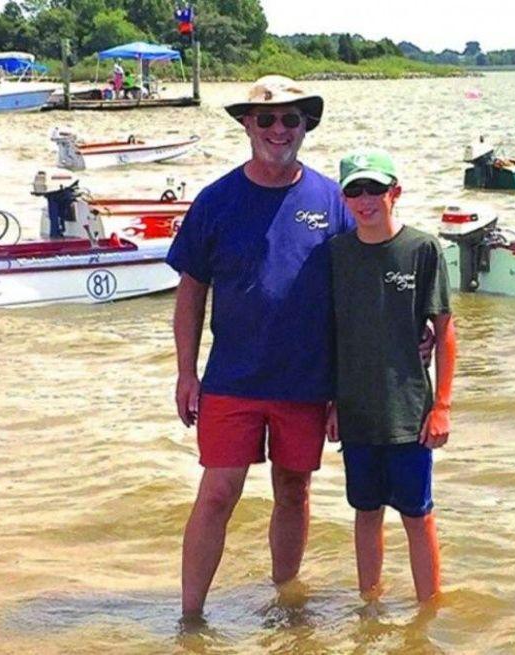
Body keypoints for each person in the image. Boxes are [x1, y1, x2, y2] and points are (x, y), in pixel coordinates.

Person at [166, 75, 355, 620]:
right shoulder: (216, 200)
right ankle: (190, 618)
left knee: (294, 491)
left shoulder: (332, 201)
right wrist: (185, 372)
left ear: (305, 126)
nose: (278, 129)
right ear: (247, 123)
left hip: (306, 382)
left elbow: (355, 295)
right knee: (218, 493)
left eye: (290, 119)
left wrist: (352, 381)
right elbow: (190, 293)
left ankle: (285, 602)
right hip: (232, 380)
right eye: (266, 118)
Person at [326, 148, 456, 605]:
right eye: (355, 191)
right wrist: (330, 402)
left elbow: (444, 330)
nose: (365, 200)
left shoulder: (422, 249)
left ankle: (429, 614)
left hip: (409, 414)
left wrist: (441, 407)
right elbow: (330, 332)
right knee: (365, 512)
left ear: (394, 192)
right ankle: (370, 608)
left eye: (375, 189)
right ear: (344, 199)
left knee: (418, 516)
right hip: (356, 413)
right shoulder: (336, 254)